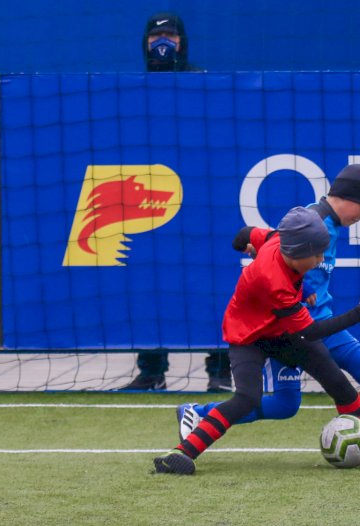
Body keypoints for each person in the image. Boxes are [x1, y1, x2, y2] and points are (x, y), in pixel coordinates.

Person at [176, 164, 360, 464]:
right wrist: (356, 311)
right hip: (291, 331)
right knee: (286, 405)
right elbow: (278, 265)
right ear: (345, 196)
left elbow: (265, 243)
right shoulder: (312, 224)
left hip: (316, 326)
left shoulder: (328, 225)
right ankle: (198, 413)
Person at [154, 207, 360, 474]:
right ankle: (181, 452)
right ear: (297, 253)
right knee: (246, 399)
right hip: (249, 337)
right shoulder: (273, 280)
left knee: (338, 383)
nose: (321, 259)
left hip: (281, 332)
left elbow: (242, 236)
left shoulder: (277, 238)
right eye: (318, 254)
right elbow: (311, 332)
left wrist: (252, 249)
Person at [121, 12, 228, 391]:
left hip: (204, 202)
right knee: (151, 281)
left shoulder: (203, 83)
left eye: (169, 35)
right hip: (155, 201)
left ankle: (221, 371)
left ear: (182, 42)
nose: (162, 42)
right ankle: (152, 371)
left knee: (215, 284)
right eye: (156, 36)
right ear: (145, 42)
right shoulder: (133, 88)